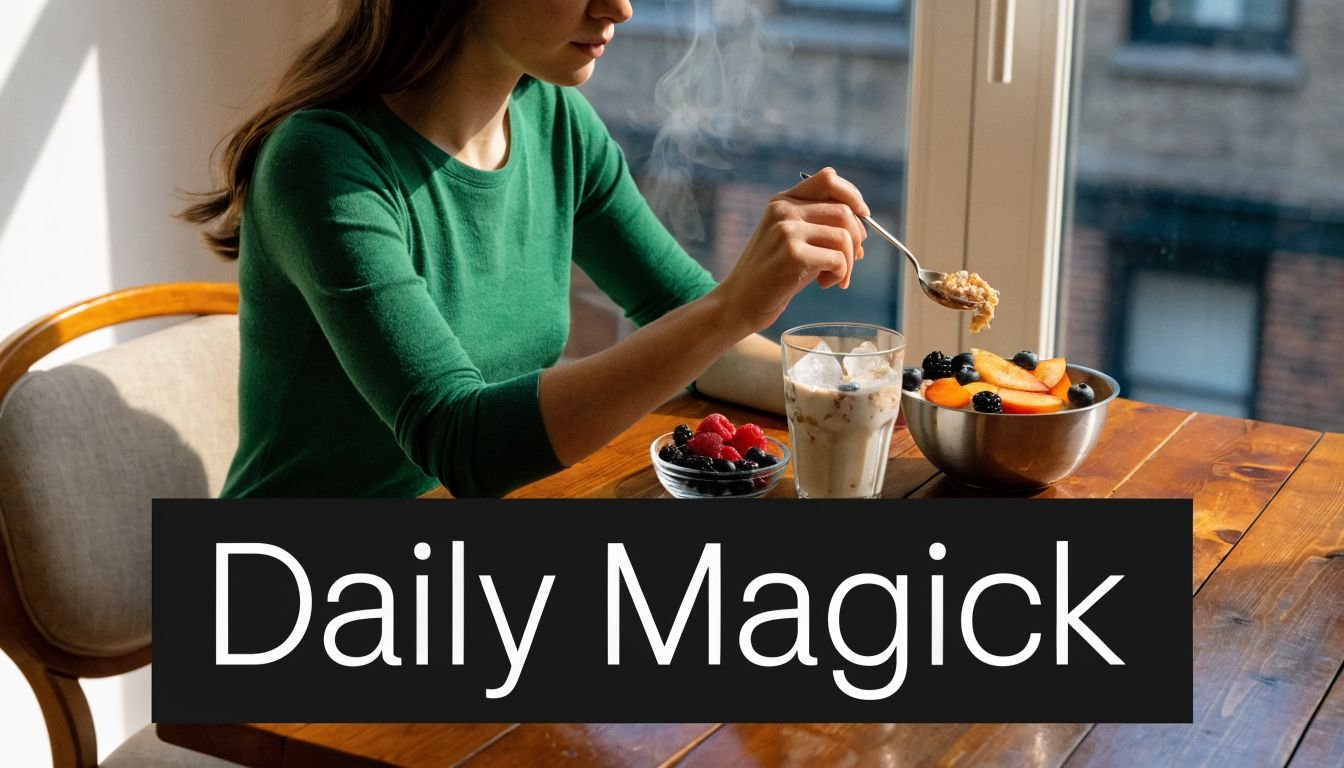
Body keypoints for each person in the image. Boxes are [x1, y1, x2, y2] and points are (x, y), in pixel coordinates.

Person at [183, 0, 870, 498]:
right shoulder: (324, 165)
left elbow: (695, 332)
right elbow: (463, 443)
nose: (620, 8)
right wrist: (731, 308)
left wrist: (878, 392)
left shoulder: (552, 119)